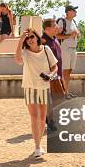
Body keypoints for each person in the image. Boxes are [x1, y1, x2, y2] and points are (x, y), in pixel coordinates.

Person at [15, 28, 58, 159]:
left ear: (37, 37)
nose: (30, 40)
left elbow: (55, 66)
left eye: (32, 37)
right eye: (27, 38)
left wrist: (50, 75)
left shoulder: (46, 50)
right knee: (34, 116)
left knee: (41, 117)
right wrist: (20, 39)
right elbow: (17, 60)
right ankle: (37, 146)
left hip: (44, 87)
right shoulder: (25, 52)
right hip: (29, 87)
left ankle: (38, 145)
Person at [42, 18, 65, 131]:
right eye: (54, 25)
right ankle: (50, 120)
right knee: (52, 99)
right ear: (47, 29)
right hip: (50, 75)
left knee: (60, 97)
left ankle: (46, 115)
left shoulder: (54, 38)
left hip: (58, 73)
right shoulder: (43, 41)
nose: (57, 27)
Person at [56, 5, 80, 98]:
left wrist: (77, 34)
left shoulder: (73, 22)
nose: (76, 12)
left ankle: (66, 91)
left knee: (69, 71)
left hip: (73, 49)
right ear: (69, 12)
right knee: (65, 71)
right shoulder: (62, 22)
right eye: (74, 10)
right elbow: (57, 35)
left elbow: (76, 34)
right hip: (65, 49)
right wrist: (70, 35)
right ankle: (64, 93)